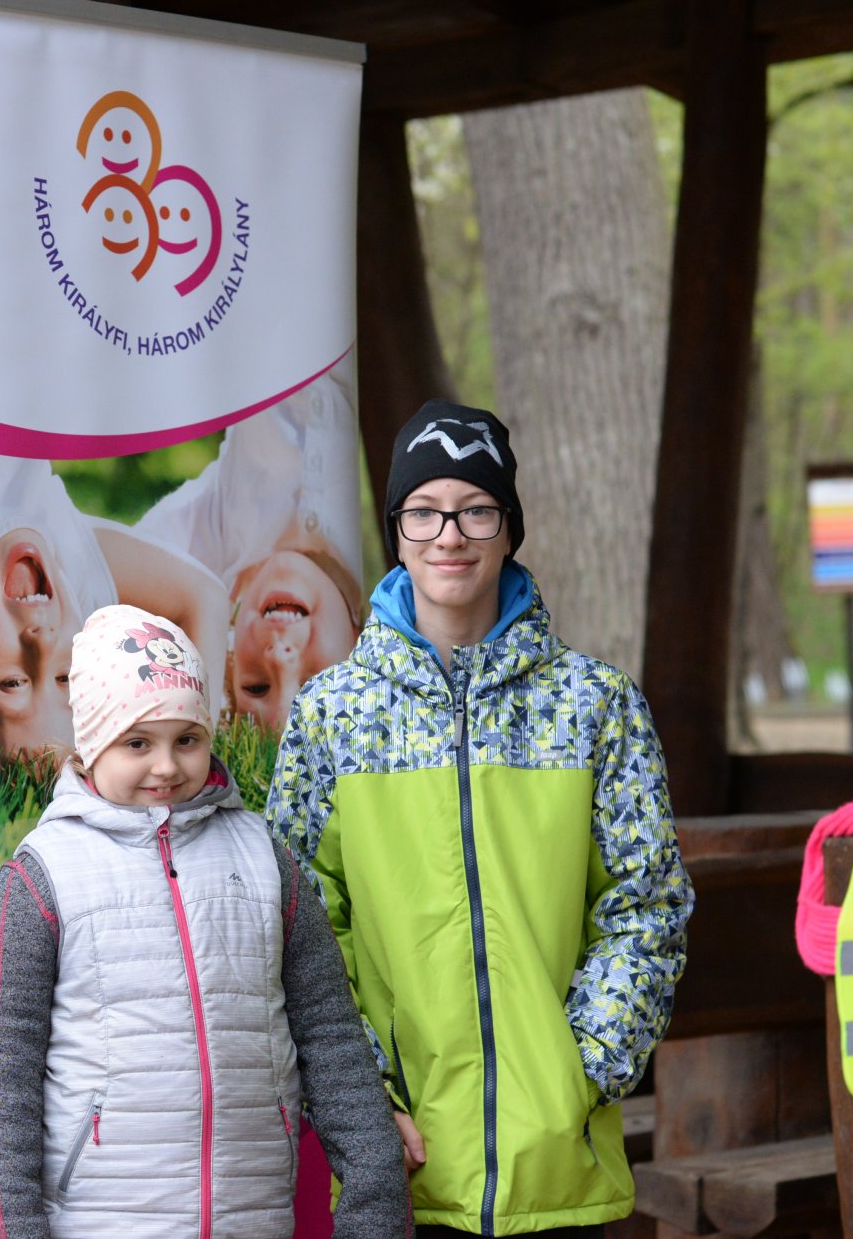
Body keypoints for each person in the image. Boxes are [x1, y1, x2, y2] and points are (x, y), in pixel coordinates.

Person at [266, 402, 695, 1237]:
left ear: (509, 530)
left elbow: (647, 905)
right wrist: (361, 1103)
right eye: (424, 512)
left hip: (557, 1166)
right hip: (400, 1162)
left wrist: (578, 1073)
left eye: (476, 510)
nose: (450, 536)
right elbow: (301, 925)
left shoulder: (595, 705)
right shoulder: (330, 715)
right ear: (397, 533)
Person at [0, 604, 409, 1238]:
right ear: (90, 745)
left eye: (187, 740)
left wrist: (376, 1205)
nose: (167, 766)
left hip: (252, 1219)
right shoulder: (43, 877)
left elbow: (331, 1036)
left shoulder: (265, 860)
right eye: (137, 743)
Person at [0, 438, 227, 761]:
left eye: (13, 683)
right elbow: (201, 595)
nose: (45, 641)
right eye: (66, 678)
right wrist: (198, 753)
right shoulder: (70, 594)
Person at [137, 361, 368, 733]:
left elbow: (83, 572)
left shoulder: (212, 551)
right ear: (360, 645)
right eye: (315, 686)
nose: (279, 658)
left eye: (256, 687)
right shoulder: (397, 537)